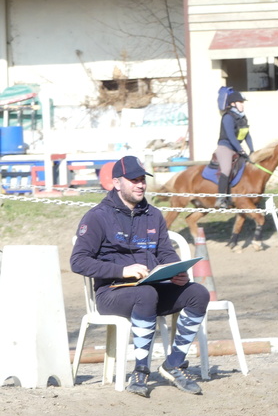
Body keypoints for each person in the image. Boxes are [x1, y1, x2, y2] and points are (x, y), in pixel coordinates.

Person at [70, 156, 210, 397]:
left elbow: (165, 251)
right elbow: (78, 261)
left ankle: (174, 363)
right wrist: (122, 271)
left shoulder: (153, 214)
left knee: (198, 293)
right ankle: (140, 371)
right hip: (112, 294)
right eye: (133, 180)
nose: (140, 185)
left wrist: (178, 270)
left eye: (142, 180)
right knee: (145, 294)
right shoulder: (97, 216)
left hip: (151, 289)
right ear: (116, 183)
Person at [215, 89, 254, 208]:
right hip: (225, 147)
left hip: (237, 148)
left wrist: (252, 150)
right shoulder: (227, 117)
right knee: (226, 169)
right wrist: (241, 150)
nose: (242, 105)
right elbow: (231, 137)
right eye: (240, 102)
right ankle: (221, 199)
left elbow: (247, 134)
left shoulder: (242, 117)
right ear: (233, 104)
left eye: (243, 103)